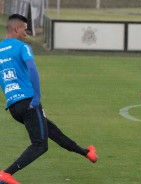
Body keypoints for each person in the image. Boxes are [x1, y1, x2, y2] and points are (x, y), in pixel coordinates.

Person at [0, 14, 98, 184]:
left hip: (14, 107)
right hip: (29, 102)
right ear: (16, 29)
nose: (26, 33)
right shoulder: (22, 47)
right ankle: (6, 174)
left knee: (51, 130)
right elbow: (32, 68)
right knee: (40, 145)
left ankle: (86, 152)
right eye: (25, 29)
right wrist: (36, 97)